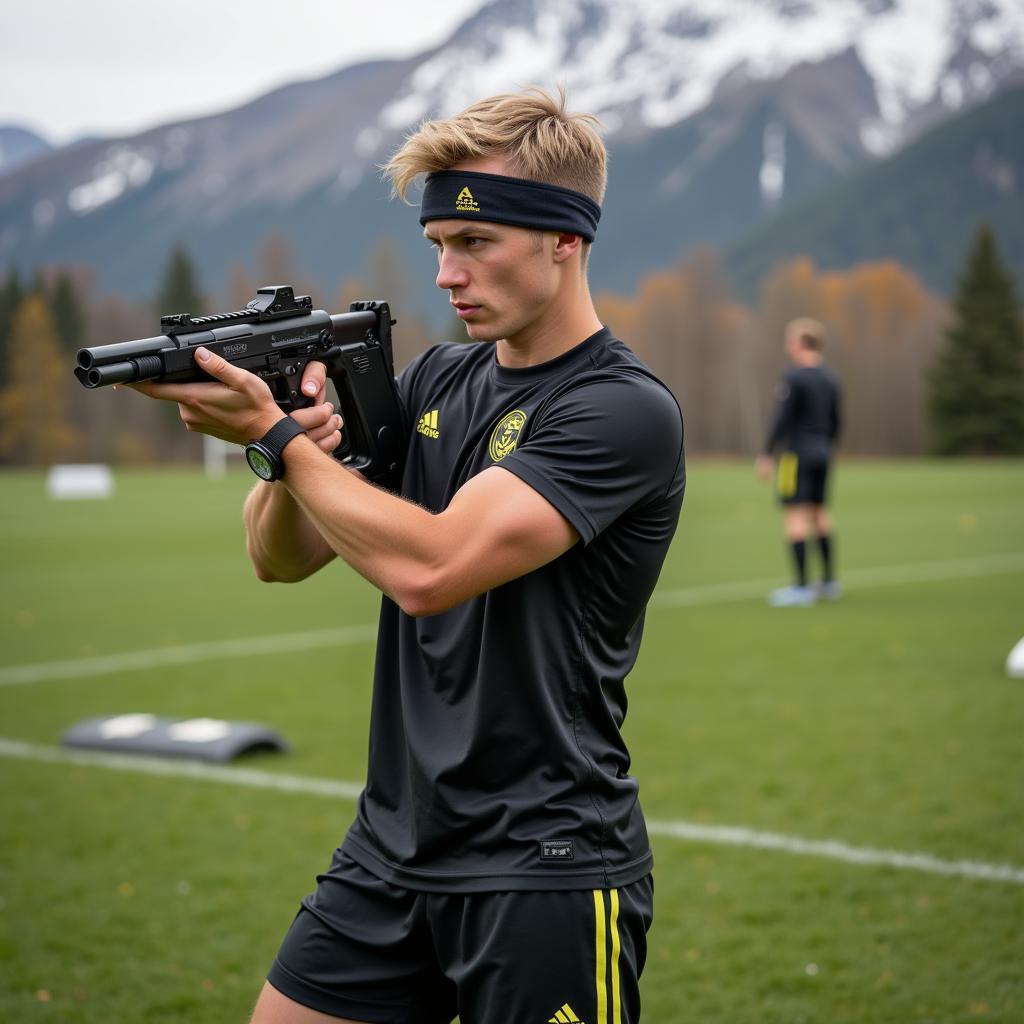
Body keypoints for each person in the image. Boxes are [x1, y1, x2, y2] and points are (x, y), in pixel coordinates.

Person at [132, 87, 685, 1024]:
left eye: (476, 243)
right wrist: (289, 446)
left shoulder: (622, 410)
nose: (446, 274)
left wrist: (280, 440)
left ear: (566, 240)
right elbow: (282, 557)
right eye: (437, 246)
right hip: (392, 845)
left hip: (541, 863)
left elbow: (429, 569)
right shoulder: (435, 377)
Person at [756, 317, 842, 607]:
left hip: (796, 455)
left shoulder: (793, 378)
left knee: (794, 516)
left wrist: (767, 454)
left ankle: (802, 588)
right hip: (824, 452)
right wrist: (827, 446)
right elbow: (836, 421)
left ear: (798, 343)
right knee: (820, 513)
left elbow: (781, 419)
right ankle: (829, 582)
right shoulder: (831, 378)